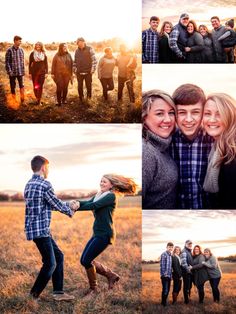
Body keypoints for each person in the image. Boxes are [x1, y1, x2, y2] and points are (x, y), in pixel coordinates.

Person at [24, 155, 78, 301]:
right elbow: (56, 204)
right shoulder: (44, 184)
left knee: (58, 256)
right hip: (41, 231)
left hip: (35, 230)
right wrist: (71, 209)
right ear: (43, 167)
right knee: (50, 263)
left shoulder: (28, 184)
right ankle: (33, 296)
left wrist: (67, 205)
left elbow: (47, 204)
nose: (48, 170)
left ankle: (58, 293)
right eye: (48, 167)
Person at [75, 174, 137, 296]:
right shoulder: (99, 195)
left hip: (105, 234)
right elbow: (87, 202)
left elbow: (93, 206)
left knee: (87, 260)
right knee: (84, 260)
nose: (102, 183)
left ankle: (94, 289)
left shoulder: (110, 196)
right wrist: (73, 203)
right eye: (101, 181)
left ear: (111, 185)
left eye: (105, 182)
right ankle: (111, 275)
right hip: (97, 232)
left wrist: (74, 208)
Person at [170, 84, 214, 209]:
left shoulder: (213, 139)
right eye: (182, 112)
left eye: (195, 112)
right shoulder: (167, 140)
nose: (188, 119)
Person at [142, 90, 178, 209]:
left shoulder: (162, 145)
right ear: (144, 117)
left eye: (171, 113)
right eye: (159, 113)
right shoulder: (146, 151)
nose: (168, 120)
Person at [203, 93, 236, 208]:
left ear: (230, 116)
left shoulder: (232, 153)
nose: (212, 120)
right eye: (207, 114)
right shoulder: (218, 146)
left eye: (219, 114)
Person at [74, 37, 97, 102]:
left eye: (80, 42)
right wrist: (74, 69)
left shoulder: (90, 49)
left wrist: (92, 70)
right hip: (79, 72)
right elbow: (75, 61)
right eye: (78, 43)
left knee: (88, 86)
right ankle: (81, 98)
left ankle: (89, 98)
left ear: (84, 42)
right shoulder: (76, 51)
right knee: (79, 86)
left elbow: (94, 60)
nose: (79, 44)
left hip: (88, 72)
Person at [5, 35, 25, 103]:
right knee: (13, 87)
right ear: (15, 41)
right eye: (19, 41)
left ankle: (22, 100)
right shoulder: (9, 50)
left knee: (22, 86)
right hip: (12, 73)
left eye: (20, 41)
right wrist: (9, 72)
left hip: (20, 72)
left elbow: (22, 61)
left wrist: (23, 71)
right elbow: (7, 62)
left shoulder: (21, 50)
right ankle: (14, 100)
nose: (20, 42)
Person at [160, 242, 174, 306]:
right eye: (169, 247)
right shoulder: (164, 254)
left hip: (169, 275)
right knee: (165, 289)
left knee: (168, 289)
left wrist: (171, 275)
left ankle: (164, 301)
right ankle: (163, 303)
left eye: (171, 247)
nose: (170, 248)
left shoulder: (170, 255)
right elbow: (162, 265)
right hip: (165, 275)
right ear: (167, 247)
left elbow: (170, 267)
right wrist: (164, 274)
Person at [180, 240, 193, 304]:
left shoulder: (189, 251)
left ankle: (188, 298)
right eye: (188, 244)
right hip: (186, 272)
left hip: (189, 272)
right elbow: (183, 263)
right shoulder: (184, 251)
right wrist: (189, 271)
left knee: (189, 286)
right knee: (186, 286)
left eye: (191, 244)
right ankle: (186, 301)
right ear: (185, 244)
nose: (190, 245)